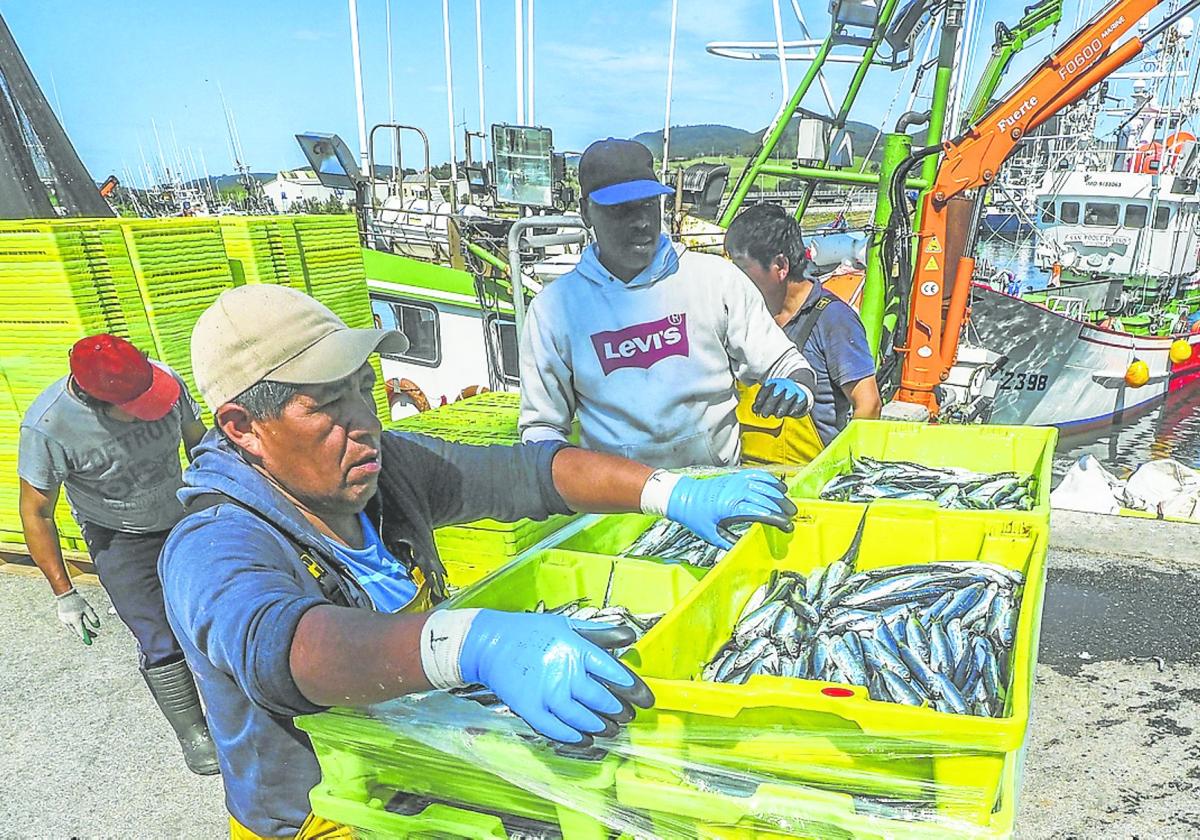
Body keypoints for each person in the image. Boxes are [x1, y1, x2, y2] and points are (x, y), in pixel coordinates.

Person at [160, 284, 800, 837]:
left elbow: (527, 474)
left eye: (363, 389)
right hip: (325, 813)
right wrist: (473, 643)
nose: (364, 422)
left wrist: (669, 490)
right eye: (326, 405)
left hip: (426, 775)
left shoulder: (384, 471)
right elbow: (282, 647)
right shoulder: (213, 542)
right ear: (242, 426)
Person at [518, 138, 817, 470]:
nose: (642, 222)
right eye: (621, 210)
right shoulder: (555, 310)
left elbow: (785, 363)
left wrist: (799, 386)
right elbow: (542, 427)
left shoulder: (716, 280)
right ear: (586, 212)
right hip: (616, 504)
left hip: (715, 489)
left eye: (648, 204)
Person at [17, 334, 218, 775]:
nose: (152, 405)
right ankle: (194, 733)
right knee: (159, 637)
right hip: (120, 536)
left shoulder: (166, 384)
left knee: (219, 612)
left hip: (182, 511)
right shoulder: (49, 429)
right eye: (136, 405)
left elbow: (199, 443)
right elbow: (36, 513)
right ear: (95, 401)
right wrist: (64, 592)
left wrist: (218, 501)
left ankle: (240, 713)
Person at [725, 204, 881, 462]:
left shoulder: (833, 319)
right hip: (748, 477)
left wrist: (837, 469)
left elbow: (869, 406)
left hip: (809, 481)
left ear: (780, 265)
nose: (731, 278)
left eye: (741, 267)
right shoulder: (744, 316)